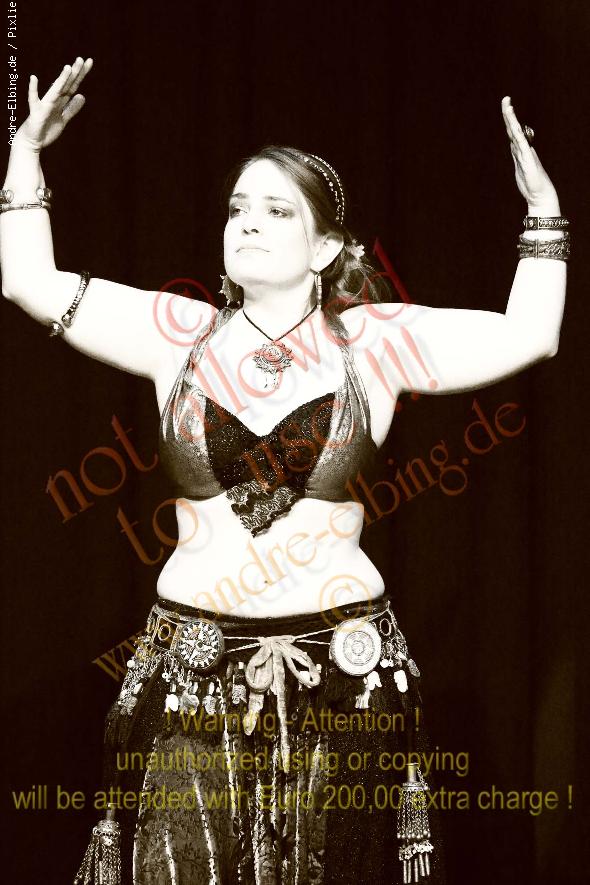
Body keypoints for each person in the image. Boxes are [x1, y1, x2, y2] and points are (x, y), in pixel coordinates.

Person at [0, 57, 568, 885]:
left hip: (345, 675)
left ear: (326, 245)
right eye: (237, 208)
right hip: (191, 674)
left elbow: (531, 335)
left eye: (276, 210)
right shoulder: (177, 334)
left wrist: (544, 213)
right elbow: (28, 282)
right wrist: (25, 157)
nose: (249, 223)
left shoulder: (372, 341)